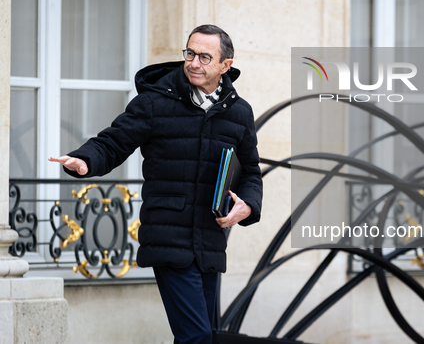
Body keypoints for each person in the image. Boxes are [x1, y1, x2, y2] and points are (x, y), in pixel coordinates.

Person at [49, 24, 263, 344]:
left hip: (209, 243)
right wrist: (85, 161)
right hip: (167, 237)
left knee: (202, 336)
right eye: (190, 53)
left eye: (205, 57)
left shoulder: (239, 113)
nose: (193, 62)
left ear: (225, 65)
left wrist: (246, 205)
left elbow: (250, 171)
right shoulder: (154, 102)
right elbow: (113, 142)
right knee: (197, 336)